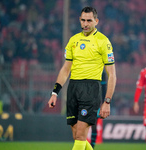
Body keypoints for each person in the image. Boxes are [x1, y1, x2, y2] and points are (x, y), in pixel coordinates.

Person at [48, 6, 116, 150]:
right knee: (77, 136)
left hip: (91, 89)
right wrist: (55, 93)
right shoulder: (73, 40)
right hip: (73, 89)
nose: (85, 24)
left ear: (96, 21)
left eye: (89, 21)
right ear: (79, 20)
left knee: (80, 136)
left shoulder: (103, 41)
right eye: (83, 20)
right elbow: (65, 69)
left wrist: (107, 101)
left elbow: (112, 75)